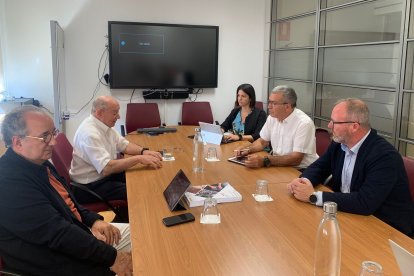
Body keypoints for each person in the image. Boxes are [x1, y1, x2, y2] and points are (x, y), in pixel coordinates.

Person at [0, 105, 132, 275]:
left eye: (53, 133)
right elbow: (58, 234)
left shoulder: (38, 162)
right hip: (56, 262)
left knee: (143, 234)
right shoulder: (8, 183)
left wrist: (93, 221)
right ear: (18, 142)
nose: (53, 142)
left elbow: (69, 204)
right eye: (45, 136)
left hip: (76, 235)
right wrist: (113, 258)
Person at [287, 98, 414, 236]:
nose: (329, 125)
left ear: (354, 126)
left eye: (334, 122)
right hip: (348, 214)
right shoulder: (339, 143)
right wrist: (304, 181)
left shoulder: (384, 156)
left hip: (385, 228)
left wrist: (313, 197)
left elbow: (365, 202)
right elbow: (319, 167)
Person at [70, 95, 162, 204]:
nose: (118, 117)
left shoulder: (103, 125)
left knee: (143, 178)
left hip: (102, 176)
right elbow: (107, 168)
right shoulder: (89, 134)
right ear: (99, 113)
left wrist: (144, 151)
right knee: (138, 189)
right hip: (89, 187)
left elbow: (124, 145)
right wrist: (139, 158)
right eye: (114, 113)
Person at [235, 85, 318, 169]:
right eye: (269, 102)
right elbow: (262, 142)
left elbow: (296, 159)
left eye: (273, 103)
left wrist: (265, 160)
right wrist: (247, 150)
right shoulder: (272, 117)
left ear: (287, 107)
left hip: (300, 170)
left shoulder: (304, 123)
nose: (269, 107)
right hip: (278, 164)